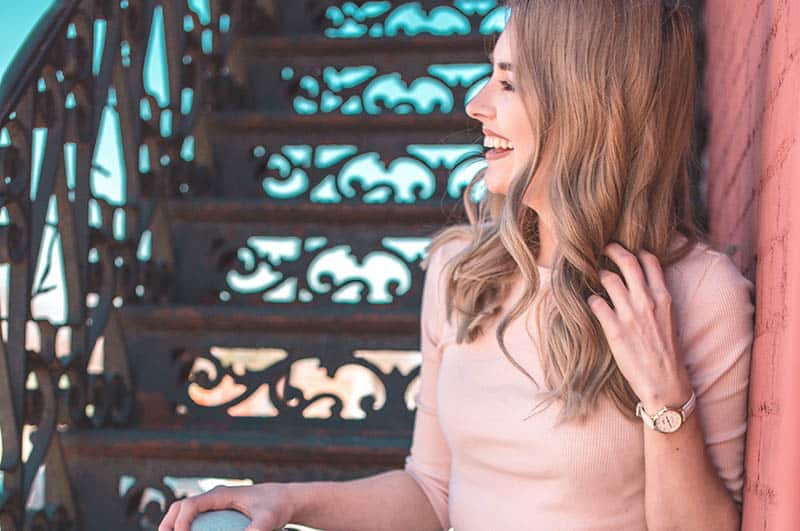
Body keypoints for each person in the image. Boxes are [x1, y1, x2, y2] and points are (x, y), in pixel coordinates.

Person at [158, 1, 754, 530]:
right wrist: (286, 501)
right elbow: (433, 493)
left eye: (509, 83)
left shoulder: (701, 294)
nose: (476, 105)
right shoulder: (459, 271)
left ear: (587, 104)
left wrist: (665, 395)